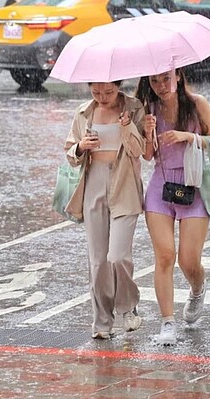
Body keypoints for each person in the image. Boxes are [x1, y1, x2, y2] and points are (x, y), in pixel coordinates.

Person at [136, 69, 210, 345]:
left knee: (188, 259)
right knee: (164, 256)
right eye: (154, 80)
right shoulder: (149, 109)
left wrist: (188, 137)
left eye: (165, 79)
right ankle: (167, 323)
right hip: (161, 187)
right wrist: (148, 132)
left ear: (179, 76)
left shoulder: (197, 104)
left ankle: (197, 288)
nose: (160, 85)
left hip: (194, 185)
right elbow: (148, 156)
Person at [63, 81, 146, 339]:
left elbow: (139, 150)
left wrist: (127, 126)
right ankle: (101, 322)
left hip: (125, 184)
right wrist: (81, 146)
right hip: (94, 184)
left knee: (118, 256)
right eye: (96, 91)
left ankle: (128, 307)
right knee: (98, 262)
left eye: (108, 92)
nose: (102, 97)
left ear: (118, 86)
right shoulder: (83, 112)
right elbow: (70, 153)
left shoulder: (133, 108)